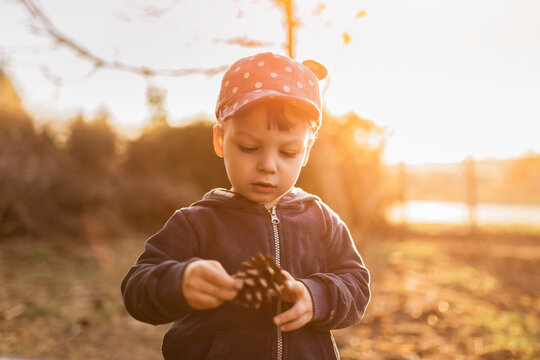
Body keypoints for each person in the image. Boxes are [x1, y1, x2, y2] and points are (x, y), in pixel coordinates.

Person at [121, 52, 371, 360]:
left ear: (307, 150)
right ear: (219, 140)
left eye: (288, 152)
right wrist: (179, 281)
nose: (268, 165)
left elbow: (356, 284)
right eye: (249, 147)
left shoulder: (322, 221)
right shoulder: (195, 223)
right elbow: (136, 289)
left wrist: (314, 295)